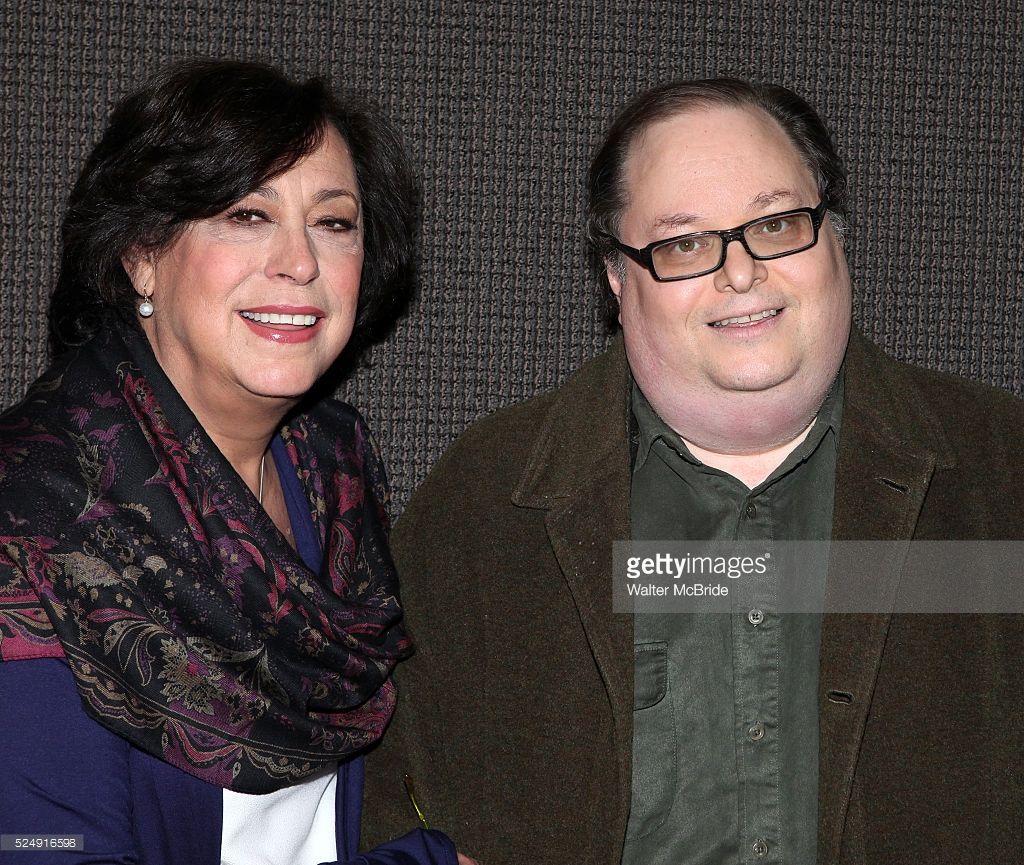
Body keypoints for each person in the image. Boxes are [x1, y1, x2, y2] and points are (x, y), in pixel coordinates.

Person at [361, 79, 1024, 863]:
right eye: (684, 243)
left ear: (835, 236)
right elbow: (372, 789)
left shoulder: (1004, 476)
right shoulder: (485, 504)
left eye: (775, 224)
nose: (741, 273)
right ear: (616, 276)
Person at [0, 60, 473, 865]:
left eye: (334, 222)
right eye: (248, 214)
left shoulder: (337, 480)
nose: (300, 261)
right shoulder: (31, 516)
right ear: (141, 253)